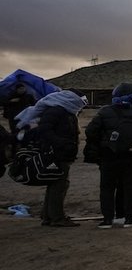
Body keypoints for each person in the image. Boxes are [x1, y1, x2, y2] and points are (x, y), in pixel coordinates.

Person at [84, 83, 132, 228]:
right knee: (131, 187)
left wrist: (103, 144)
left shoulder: (104, 112)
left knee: (107, 188)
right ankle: (128, 219)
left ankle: (107, 220)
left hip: (109, 155)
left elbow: (91, 132)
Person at [16, 90, 87, 227]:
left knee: (56, 183)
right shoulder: (57, 111)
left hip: (62, 153)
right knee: (59, 185)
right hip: (56, 153)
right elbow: (44, 131)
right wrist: (62, 143)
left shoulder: (67, 111)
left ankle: (48, 216)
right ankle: (57, 218)